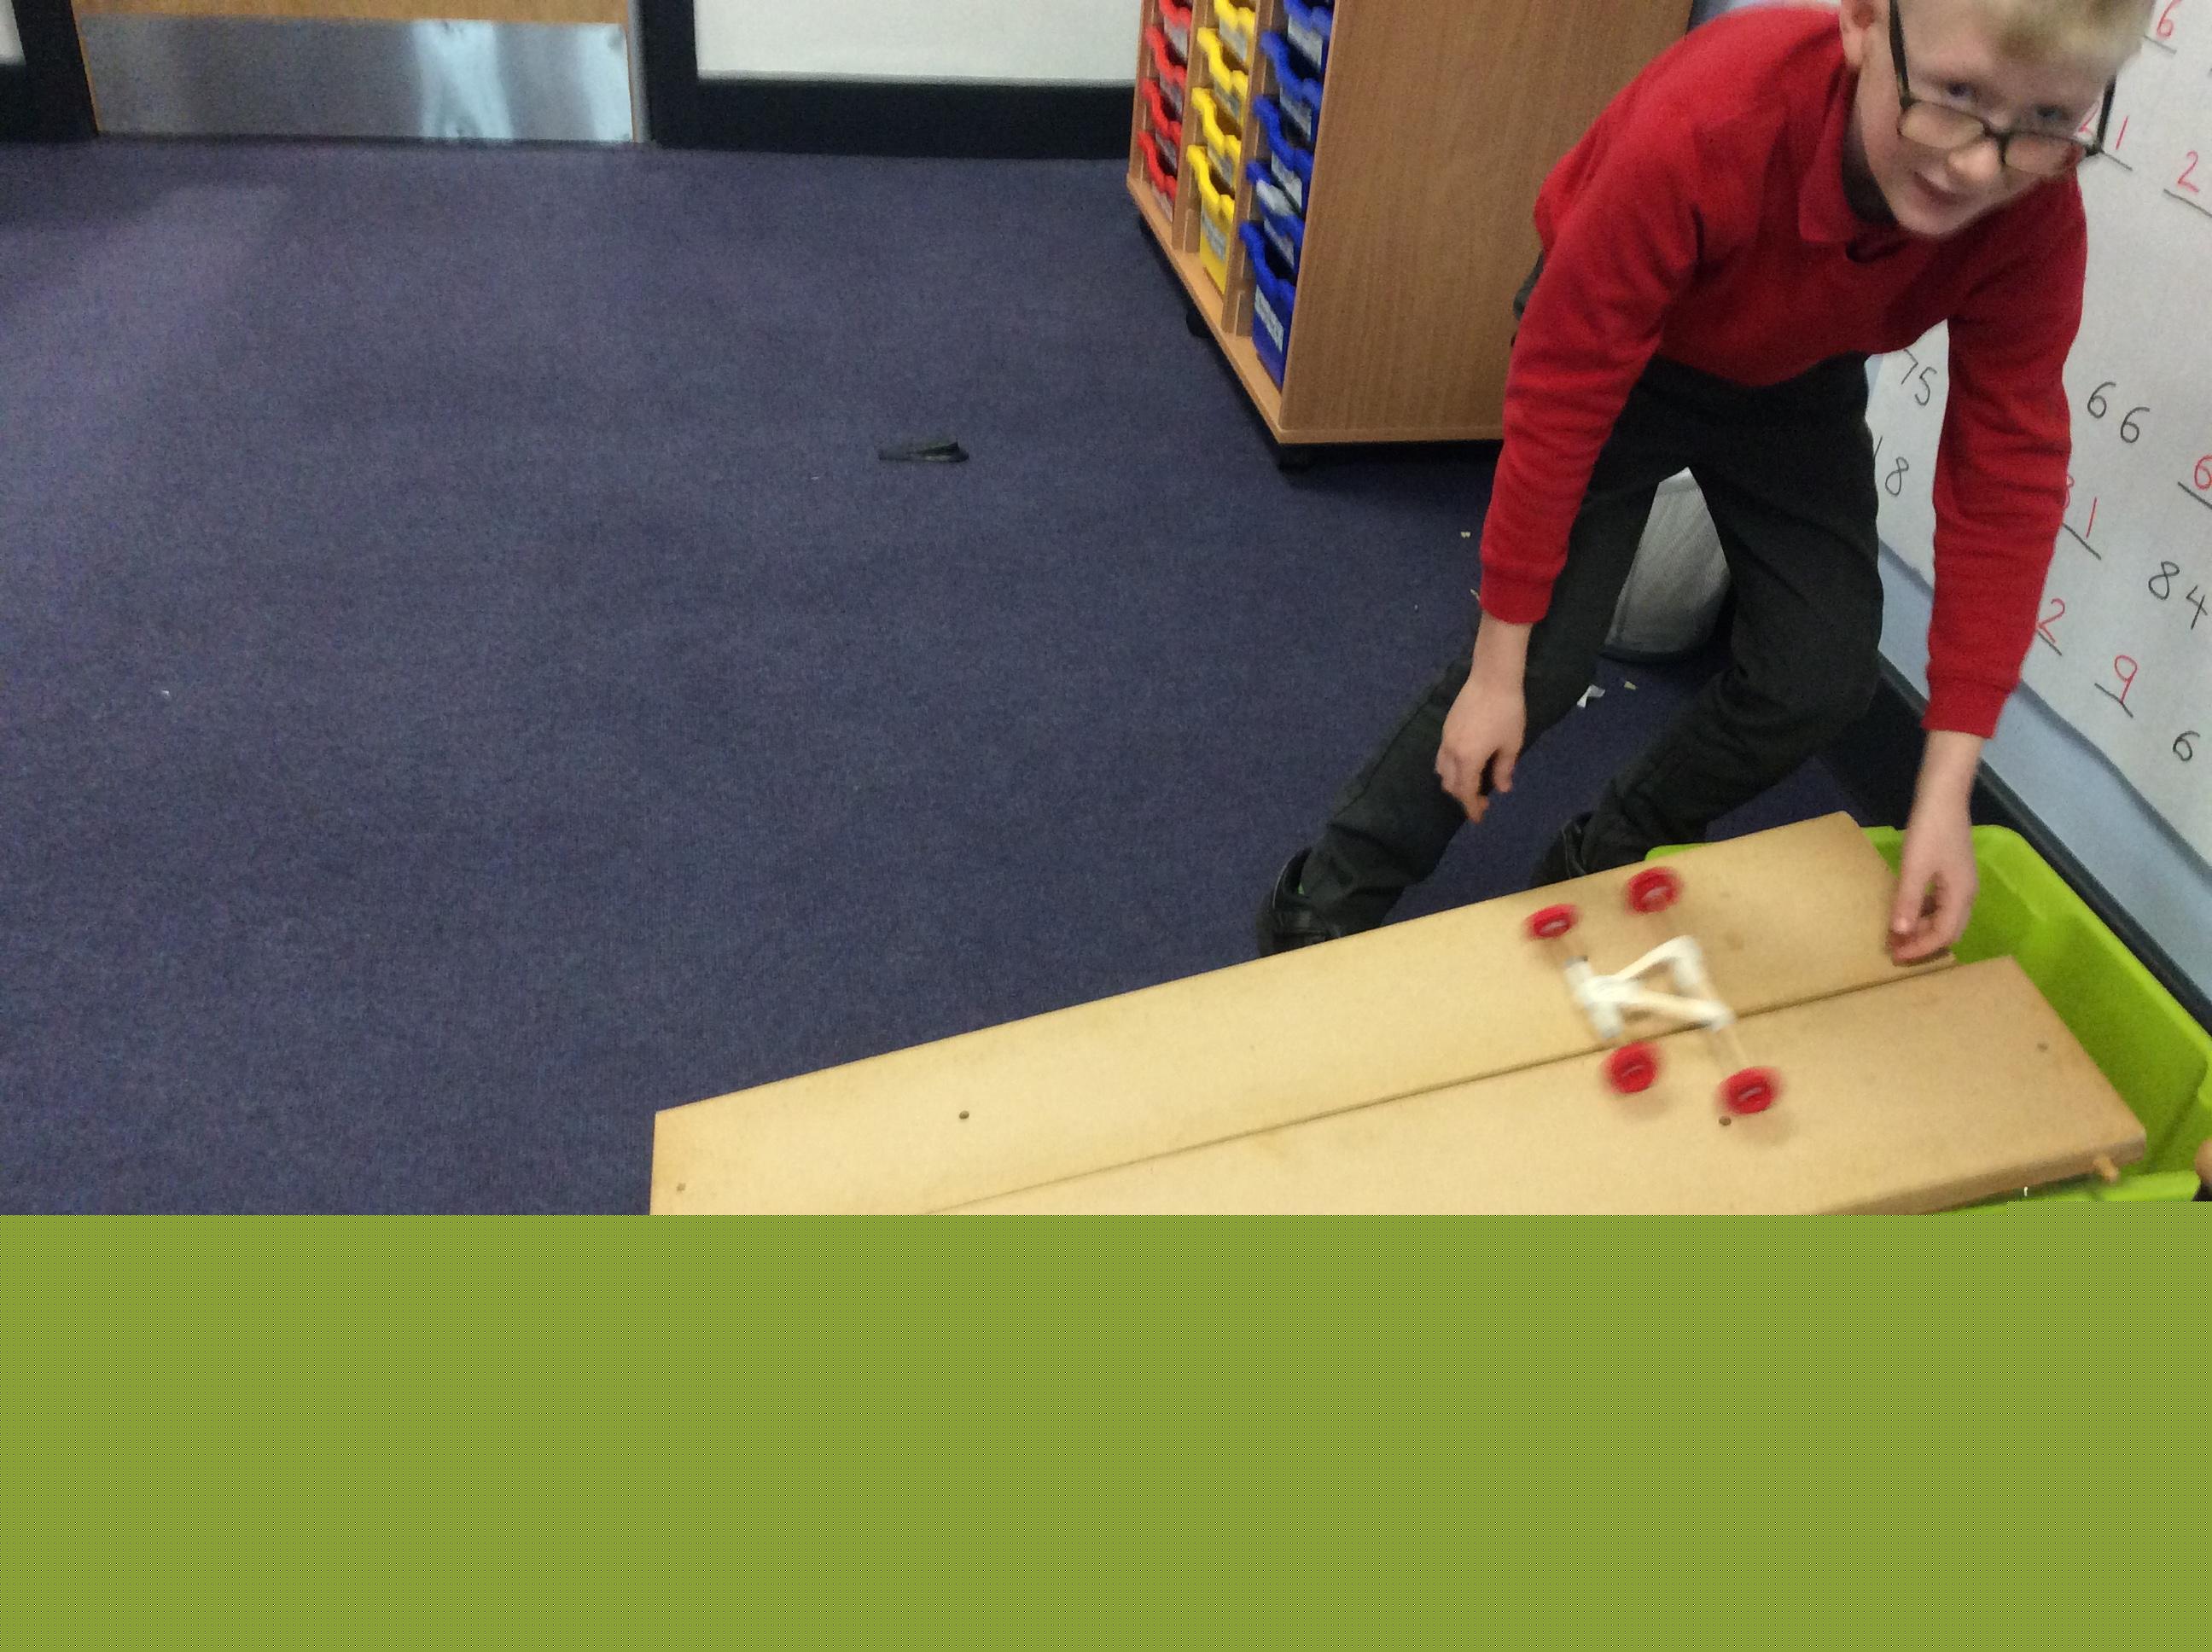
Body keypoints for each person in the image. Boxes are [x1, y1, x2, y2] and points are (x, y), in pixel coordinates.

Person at [1258, 0, 2148, 965]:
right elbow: (1564, 391)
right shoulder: (1713, 119)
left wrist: (1943, 789)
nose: (1979, 165)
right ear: (1862, 20)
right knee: (1539, 667)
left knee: (1821, 677)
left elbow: (2005, 476)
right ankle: (1330, 896)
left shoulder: (2031, 214)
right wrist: (1496, 674)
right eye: (1957, 94)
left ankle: (1606, 856)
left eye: (2047, 121)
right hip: (1622, 356)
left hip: (1795, 380)